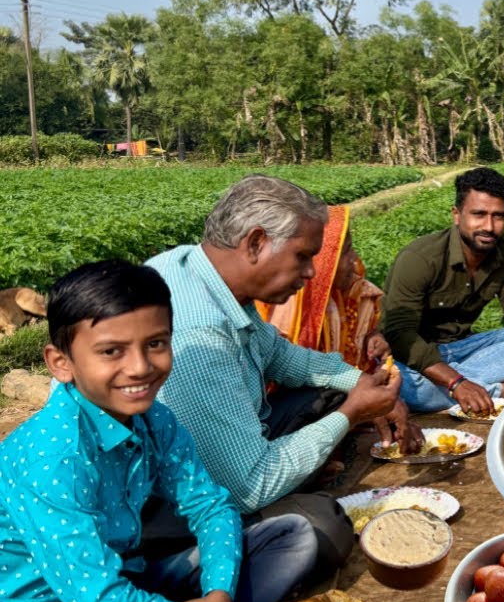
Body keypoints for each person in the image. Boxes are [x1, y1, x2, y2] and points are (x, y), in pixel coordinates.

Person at [0, 261, 308, 602]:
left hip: (127, 579)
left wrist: (218, 593)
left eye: (156, 343)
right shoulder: (52, 458)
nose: (141, 367)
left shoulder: (153, 419)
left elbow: (209, 505)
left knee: (294, 536)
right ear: (60, 362)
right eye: (112, 351)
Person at [150, 174, 411, 575]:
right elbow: (249, 486)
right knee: (324, 527)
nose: (311, 273)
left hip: (218, 440)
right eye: (303, 256)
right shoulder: (198, 334)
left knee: (331, 390)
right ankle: (192, 565)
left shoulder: (200, 268)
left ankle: (293, 473)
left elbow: (285, 357)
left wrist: (359, 383)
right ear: (255, 243)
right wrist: (351, 415)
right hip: (167, 503)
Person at [381, 167, 504, 417]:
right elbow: (400, 335)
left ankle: (450, 385)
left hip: (461, 348)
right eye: (479, 214)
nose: (489, 226)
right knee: (411, 391)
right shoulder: (420, 258)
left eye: (499, 216)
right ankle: (500, 389)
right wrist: (457, 383)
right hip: (414, 353)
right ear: (457, 215)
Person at [256, 204, 440, 417]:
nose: (354, 260)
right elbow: (296, 379)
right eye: (345, 252)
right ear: (324, 260)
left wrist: (375, 338)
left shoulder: (353, 293)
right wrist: (360, 407)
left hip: (355, 385)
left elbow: (365, 343)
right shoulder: (289, 309)